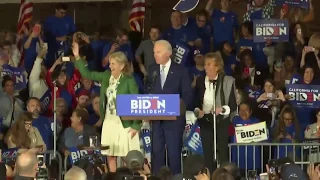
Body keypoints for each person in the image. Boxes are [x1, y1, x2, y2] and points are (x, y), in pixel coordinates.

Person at [72, 41, 142, 172]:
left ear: (122, 66)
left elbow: (136, 102)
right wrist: (77, 57)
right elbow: (88, 74)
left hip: (125, 123)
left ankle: (127, 177)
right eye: (110, 63)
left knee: (127, 156)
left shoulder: (129, 80)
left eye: (113, 64)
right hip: (109, 120)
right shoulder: (106, 76)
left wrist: (136, 126)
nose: (110, 66)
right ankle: (113, 176)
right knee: (110, 155)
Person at [146, 40, 192, 174]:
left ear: (168, 53)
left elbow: (187, 94)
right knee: (157, 152)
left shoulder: (181, 70)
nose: (155, 55)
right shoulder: (152, 69)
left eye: (158, 52)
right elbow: (148, 90)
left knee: (174, 153)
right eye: (154, 52)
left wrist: (178, 108)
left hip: (174, 119)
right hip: (156, 119)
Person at [194, 52, 237, 174]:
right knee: (208, 154)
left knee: (223, 153)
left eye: (209, 64)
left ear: (217, 67)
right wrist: (198, 112)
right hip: (205, 121)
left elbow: (233, 105)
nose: (206, 67)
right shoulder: (200, 80)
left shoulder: (227, 81)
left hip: (221, 121)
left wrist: (221, 109)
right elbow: (195, 102)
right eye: (205, 64)